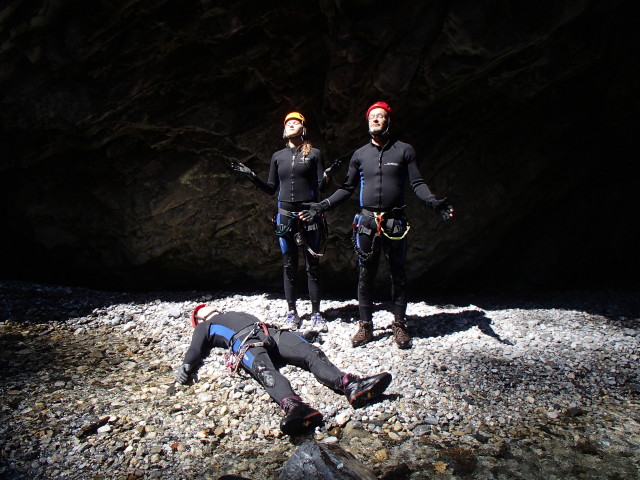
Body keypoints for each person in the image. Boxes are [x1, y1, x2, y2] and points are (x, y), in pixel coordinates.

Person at [300, 102, 454, 349]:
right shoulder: (360, 155)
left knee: (398, 273)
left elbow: (417, 183)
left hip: (395, 221)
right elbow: (347, 188)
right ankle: (365, 325)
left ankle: (400, 323)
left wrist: (434, 202)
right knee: (365, 274)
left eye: (381, 116)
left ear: (389, 121)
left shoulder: (404, 151)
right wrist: (321, 205)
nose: (375, 119)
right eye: (372, 116)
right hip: (367, 222)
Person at [176, 305, 393, 436]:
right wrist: (188, 365)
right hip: (247, 341)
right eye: (202, 310)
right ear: (200, 319)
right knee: (265, 371)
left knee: (311, 353)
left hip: (270, 331)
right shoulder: (206, 326)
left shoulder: (233, 312)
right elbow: (195, 349)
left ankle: (350, 385)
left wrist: (303, 337)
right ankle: (295, 406)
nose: (209, 309)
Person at [231, 112, 330, 332]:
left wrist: (328, 178)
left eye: (295, 122)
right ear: (284, 130)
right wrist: (252, 177)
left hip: (308, 214)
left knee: (312, 265)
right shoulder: (277, 156)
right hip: (285, 215)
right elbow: (271, 189)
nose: (291, 125)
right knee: (289, 265)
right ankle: (291, 312)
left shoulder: (314, 154)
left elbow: (322, 187)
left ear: (303, 128)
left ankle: (316, 314)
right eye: (287, 123)